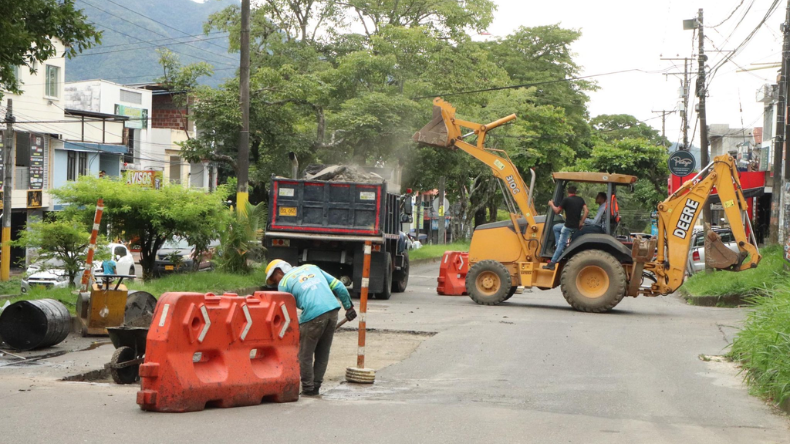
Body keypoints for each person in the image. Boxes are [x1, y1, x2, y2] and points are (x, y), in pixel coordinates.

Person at [265, 259, 356, 396]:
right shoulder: (311, 267)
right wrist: (349, 308)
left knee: (304, 355)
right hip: (332, 311)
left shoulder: (284, 283)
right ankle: (316, 386)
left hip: (313, 315)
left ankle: (308, 388)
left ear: (279, 272)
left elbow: (285, 313)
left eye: (275, 279)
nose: (277, 283)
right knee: (322, 352)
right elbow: (339, 286)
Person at [545, 185, 588, 270]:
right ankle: (558, 246)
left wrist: (551, 204)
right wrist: (581, 222)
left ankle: (552, 263)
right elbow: (586, 211)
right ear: (575, 192)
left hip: (567, 226)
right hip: (576, 226)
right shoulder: (580, 200)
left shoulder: (566, 200)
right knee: (556, 227)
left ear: (568, 192)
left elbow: (557, 211)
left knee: (561, 244)